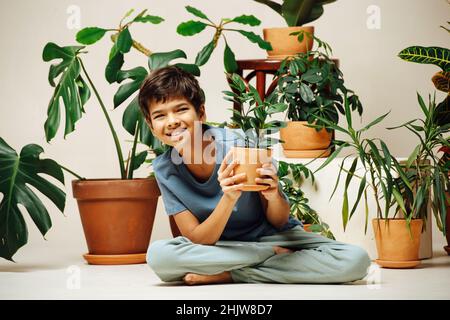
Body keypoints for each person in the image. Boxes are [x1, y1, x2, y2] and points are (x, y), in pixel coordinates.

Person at [138, 66, 371, 285]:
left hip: (270, 237)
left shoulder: (242, 144)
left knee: (355, 260)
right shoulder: (165, 169)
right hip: (218, 248)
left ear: (200, 113)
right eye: (160, 115)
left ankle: (231, 274)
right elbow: (198, 239)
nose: (172, 121)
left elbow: (279, 221)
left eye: (181, 109)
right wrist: (228, 199)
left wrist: (272, 195)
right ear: (151, 125)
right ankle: (264, 260)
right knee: (159, 257)